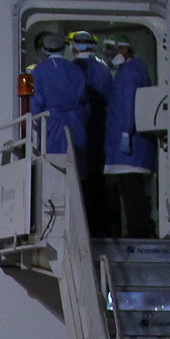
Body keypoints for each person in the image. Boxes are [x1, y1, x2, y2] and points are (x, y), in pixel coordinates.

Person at [103, 35, 158, 238]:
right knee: (133, 190)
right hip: (136, 143)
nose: (109, 55)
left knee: (131, 190)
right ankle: (140, 227)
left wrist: (126, 131)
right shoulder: (137, 69)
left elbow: (128, 104)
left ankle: (140, 230)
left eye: (112, 50)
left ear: (124, 50)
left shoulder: (128, 73)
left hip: (130, 144)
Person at [69, 30, 113, 229]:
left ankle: (89, 226)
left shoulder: (73, 70)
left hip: (82, 128)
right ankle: (102, 224)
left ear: (73, 46)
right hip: (102, 128)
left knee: (83, 179)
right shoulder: (103, 70)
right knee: (98, 179)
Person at [28, 32, 88, 159]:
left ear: (44, 49)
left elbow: (35, 104)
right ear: (65, 48)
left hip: (51, 123)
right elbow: (84, 99)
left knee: (53, 163)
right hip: (76, 122)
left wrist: (35, 129)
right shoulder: (76, 69)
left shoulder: (38, 71)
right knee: (76, 164)